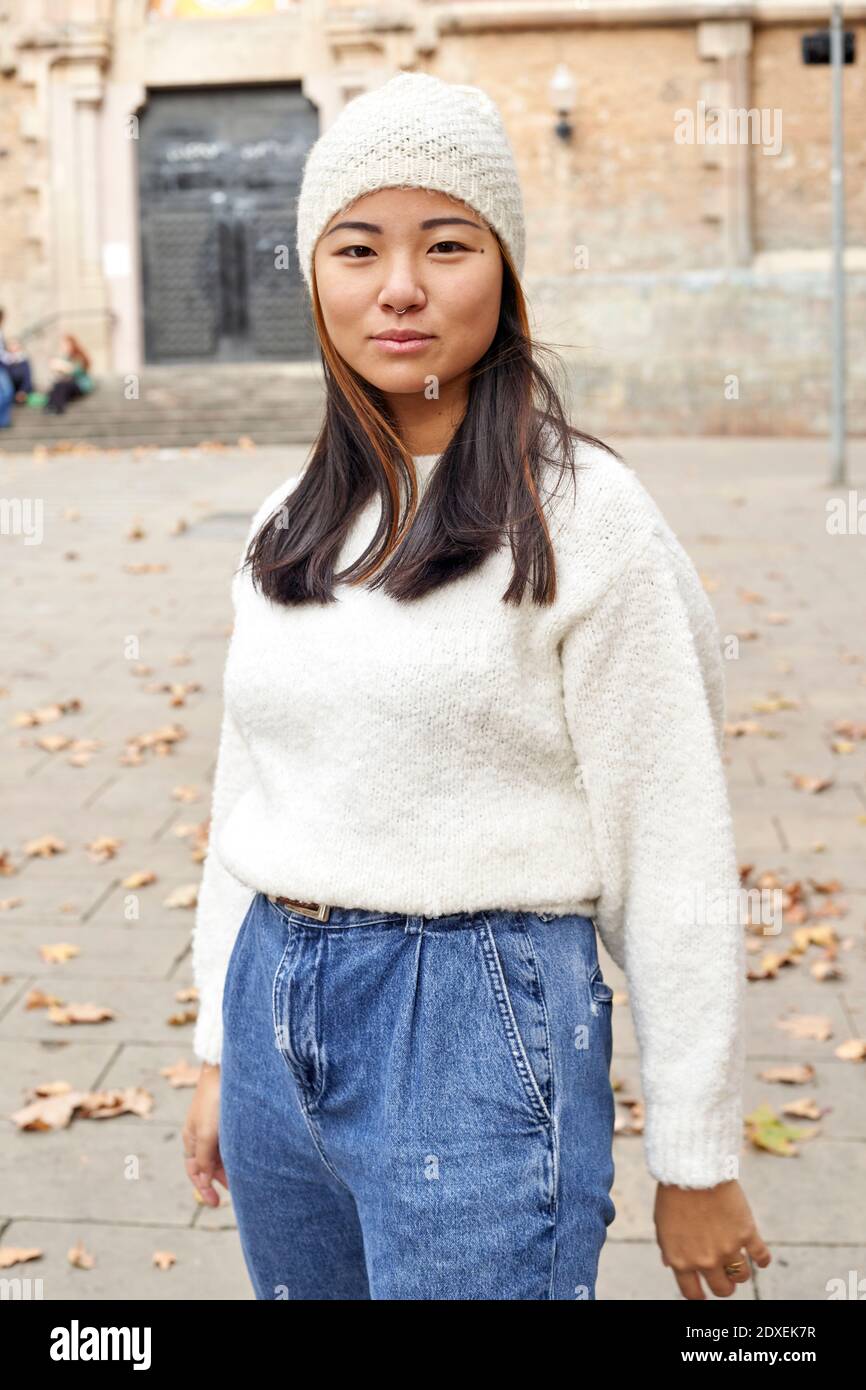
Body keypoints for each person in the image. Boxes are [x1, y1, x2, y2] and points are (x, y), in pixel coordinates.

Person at [182, 71, 771, 1302]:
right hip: (272, 1014)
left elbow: (667, 841)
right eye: (357, 247)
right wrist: (214, 1048)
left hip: (474, 1026)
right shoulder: (285, 523)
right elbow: (250, 789)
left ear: (501, 272)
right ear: (315, 275)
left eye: (444, 243)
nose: (398, 285)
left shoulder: (582, 517)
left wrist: (695, 1149)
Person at [43, 333, 93, 414]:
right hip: (67, 384)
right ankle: (50, 406)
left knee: (62, 385)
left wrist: (64, 367)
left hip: (79, 385)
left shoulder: (79, 356)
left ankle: (59, 407)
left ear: (72, 344)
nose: (63, 347)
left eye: (65, 345)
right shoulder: (66, 357)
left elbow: (78, 371)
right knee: (57, 385)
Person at [0, 307, 35, 403]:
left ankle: (22, 393)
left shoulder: (22, 359)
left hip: (16, 382)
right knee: (6, 391)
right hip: (4, 369)